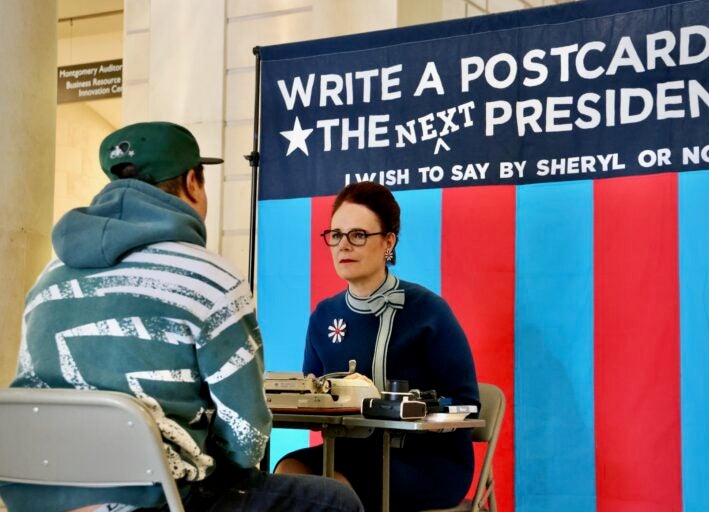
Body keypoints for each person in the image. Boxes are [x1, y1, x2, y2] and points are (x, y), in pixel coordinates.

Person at [0, 122, 363, 512]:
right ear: (193, 182)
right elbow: (247, 438)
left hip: (41, 499)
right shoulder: (209, 280)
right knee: (335, 501)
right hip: (156, 500)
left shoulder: (49, 278)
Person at [274, 181, 480, 512]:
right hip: (351, 452)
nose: (344, 245)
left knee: (336, 489)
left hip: (426, 461)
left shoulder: (428, 311)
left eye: (358, 235)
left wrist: (412, 407)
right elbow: (311, 400)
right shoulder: (324, 316)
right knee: (289, 471)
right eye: (336, 235)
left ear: (388, 242)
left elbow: (468, 403)